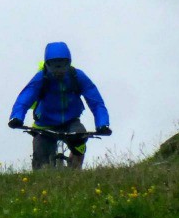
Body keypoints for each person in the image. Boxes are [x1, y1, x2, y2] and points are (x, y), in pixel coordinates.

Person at [7, 41, 111, 170]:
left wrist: (103, 124)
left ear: (69, 63)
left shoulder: (77, 76)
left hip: (71, 121)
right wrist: (16, 118)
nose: (59, 71)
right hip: (45, 124)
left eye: (63, 65)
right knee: (41, 158)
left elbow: (96, 102)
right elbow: (24, 99)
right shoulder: (41, 78)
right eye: (55, 66)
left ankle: (75, 172)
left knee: (80, 139)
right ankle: (41, 183)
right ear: (47, 65)